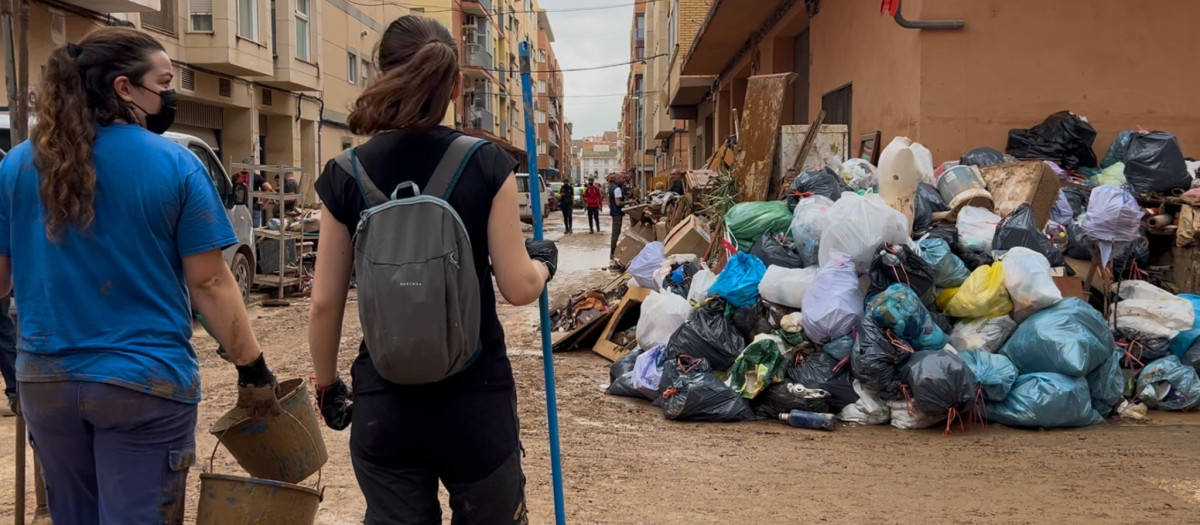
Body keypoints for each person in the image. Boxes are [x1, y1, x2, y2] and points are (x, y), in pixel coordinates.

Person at [0, 28, 281, 524]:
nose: (170, 94)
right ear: (124, 88)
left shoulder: (19, 165)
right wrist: (251, 367)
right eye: (165, 81)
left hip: (46, 381)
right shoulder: (175, 163)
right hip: (142, 382)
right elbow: (211, 283)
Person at [307, 15, 556, 524]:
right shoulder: (486, 163)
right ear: (457, 86)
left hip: (385, 406)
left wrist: (329, 384)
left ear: (381, 75)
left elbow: (324, 302)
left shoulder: (344, 174)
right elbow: (517, 285)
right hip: (476, 404)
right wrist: (544, 264)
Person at [608, 172, 626, 260]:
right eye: (622, 178)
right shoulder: (617, 189)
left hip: (613, 212)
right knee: (616, 232)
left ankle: (612, 251)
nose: (623, 180)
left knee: (615, 232)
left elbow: (609, 202)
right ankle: (612, 252)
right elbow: (618, 203)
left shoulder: (611, 187)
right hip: (617, 213)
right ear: (618, 179)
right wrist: (628, 202)